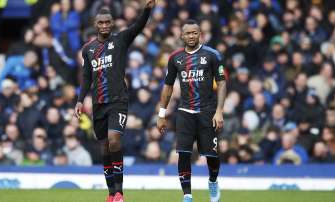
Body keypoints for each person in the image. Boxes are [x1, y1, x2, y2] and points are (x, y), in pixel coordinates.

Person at [74, 1, 155, 202]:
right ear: (95, 24)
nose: (104, 25)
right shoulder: (88, 49)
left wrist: (147, 9)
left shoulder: (120, 40)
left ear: (112, 23)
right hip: (98, 103)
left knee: (114, 140)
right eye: (101, 22)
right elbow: (86, 77)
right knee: (104, 148)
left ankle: (119, 191)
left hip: (118, 101)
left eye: (107, 22)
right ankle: (111, 193)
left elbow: (138, 26)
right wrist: (79, 100)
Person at [157, 20, 227, 202]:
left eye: (194, 33)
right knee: (183, 153)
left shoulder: (212, 55)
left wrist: (219, 111)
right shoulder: (175, 58)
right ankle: (187, 195)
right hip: (185, 112)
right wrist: (161, 114)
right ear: (182, 36)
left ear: (199, 34)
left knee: (212, 154)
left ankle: (213, 181)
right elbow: (168, 87)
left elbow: (221, 83)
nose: (191, 36)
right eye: (188, 33)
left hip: (207, 112)